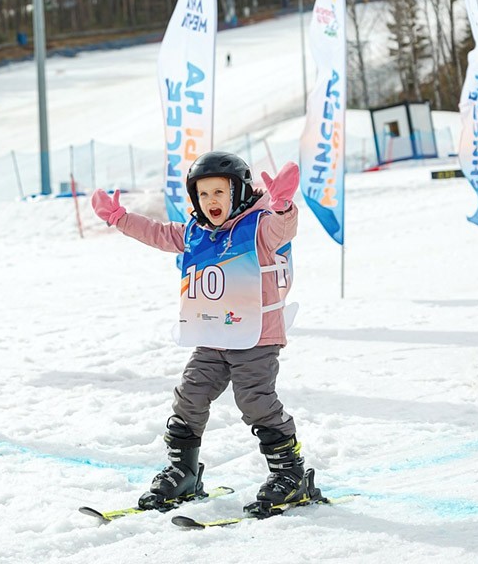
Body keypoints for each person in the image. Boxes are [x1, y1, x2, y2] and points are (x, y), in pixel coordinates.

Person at [90, 151, 319, 515]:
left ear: (240, 192)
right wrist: (121, 218)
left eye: (219, 192)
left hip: (256, 336)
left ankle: (290, 475)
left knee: (254, 400)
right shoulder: (196, 233)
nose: (210, 201)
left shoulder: (259, 227)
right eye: (203, 194)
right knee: (190, 396)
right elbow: (159, 234)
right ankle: (184, 472)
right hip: (213, 335)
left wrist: (282, 206)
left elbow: (283, 230)